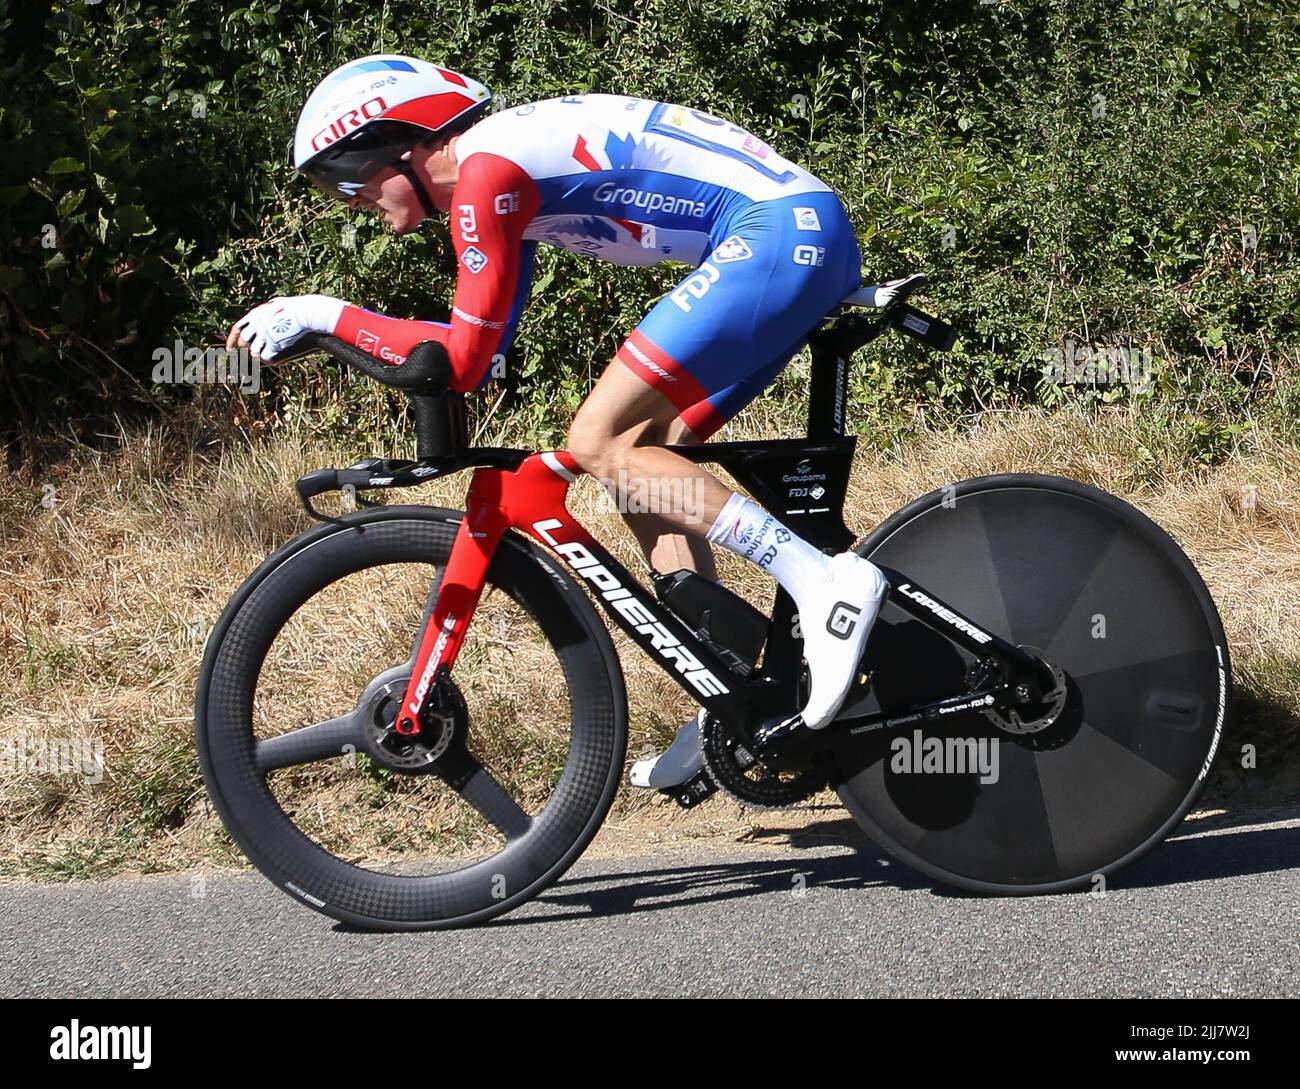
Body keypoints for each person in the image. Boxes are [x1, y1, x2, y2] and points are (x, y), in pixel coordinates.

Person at [228, 54, 891, 794]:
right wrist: (331, 328)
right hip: (792, 231)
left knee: (597, 439)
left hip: (775, 234)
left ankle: (825, 579)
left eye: (345, 177)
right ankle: (730, 695)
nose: (348, 199)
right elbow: (471, 352)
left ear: (400, 143)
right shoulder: (503, 179)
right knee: (645, 462)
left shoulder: (486, 176)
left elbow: (467, 358)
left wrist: (325, 315)